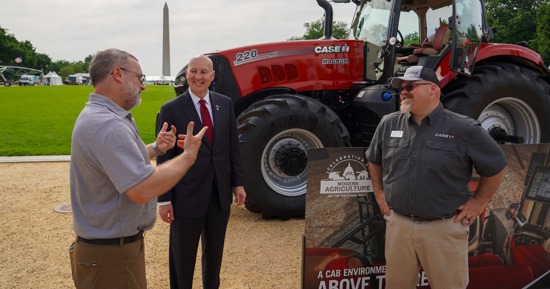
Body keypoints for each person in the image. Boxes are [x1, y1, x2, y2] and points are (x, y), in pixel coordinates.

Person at [69, 48, 207, 289]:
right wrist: (188, 156)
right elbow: (142, 189)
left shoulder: (98, 115)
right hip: (112, 255)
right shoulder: (108, 125)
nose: (143, 86)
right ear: (118, 74)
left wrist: (156, 148)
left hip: (106, 250)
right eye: (139, 78)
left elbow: (115, 164)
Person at [365, 66, 507, 289]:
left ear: (433, 89)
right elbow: (374, 159)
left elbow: (497, 166)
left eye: (410, 86)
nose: (403, 92)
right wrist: (379, 191)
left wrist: (478, 202)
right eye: (402, 88)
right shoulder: (388, 123)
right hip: (398, 226)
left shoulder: (463, 128)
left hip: (444, 229)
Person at [156, 55, 246, 289]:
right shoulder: (171, 109)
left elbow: (232, 148)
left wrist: (238, 184)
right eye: (193, 71)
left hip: (219, 197)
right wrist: (164, 199)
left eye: (204, 72)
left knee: (214, 259)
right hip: (186, 197)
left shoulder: (224, 104)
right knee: (182, 260)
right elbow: (165, 158)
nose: (198, 76)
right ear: (186, 75)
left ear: (212, 76)